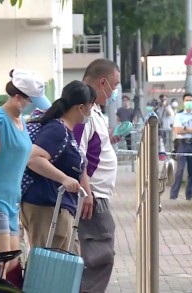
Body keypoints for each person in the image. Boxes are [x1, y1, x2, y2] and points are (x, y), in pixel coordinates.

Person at [0, 69, 51, 283]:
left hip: (11, 202)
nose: (33, 106)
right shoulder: (0, 122)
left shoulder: (21, 121)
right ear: (18, 98)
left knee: (11, 262)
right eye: (30, 101)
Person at [20, 81, 95, 253]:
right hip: (47, 207)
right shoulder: (57, 130)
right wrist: (64, 179)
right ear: (81, 107)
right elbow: (33, 158)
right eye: (90, 106)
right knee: (49, 269)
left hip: (57, 206)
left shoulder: (65, 131)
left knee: (64, 265)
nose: (90, 111)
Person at [74, 58, 119, 293]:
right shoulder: (84, 111)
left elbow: (91, 148)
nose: (115, 91)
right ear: (103, 82)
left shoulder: (95, 111)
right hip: (93, 198)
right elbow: (77, 154)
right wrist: (87, 192)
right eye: (115, 84)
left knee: (99, 257)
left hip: (97, 195)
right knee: (100, 257)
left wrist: (110, 140)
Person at [169, 93, 192, 201]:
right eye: (187, 100)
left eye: (190, 100)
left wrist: (185, 128)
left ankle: (189, 196)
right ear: (183, 102)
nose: (189, 102)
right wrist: (190, 129)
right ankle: (173, 195)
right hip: (182, 144)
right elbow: (177, 130)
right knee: (180, 170)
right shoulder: (179, 115)